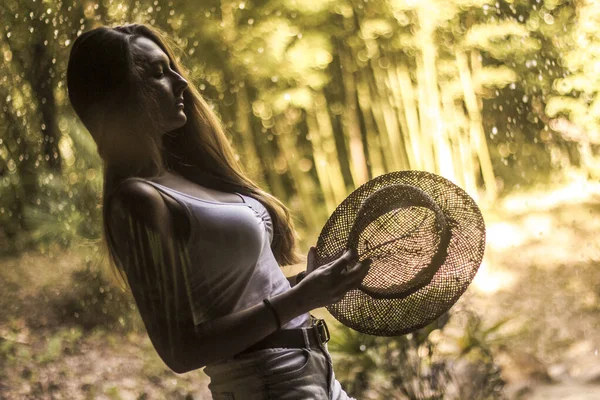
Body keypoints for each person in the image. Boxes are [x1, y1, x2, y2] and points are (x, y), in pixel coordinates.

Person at [66, 23, 371, 399]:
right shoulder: (138, 201)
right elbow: (180, 350)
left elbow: (241, 297)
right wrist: (302, 298)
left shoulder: (187, 176)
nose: (182, 83)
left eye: (174, 69)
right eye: (158, 73)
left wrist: (306, 283)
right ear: (117, 96)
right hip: (267, 385)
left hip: (317, 371)